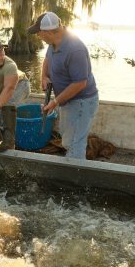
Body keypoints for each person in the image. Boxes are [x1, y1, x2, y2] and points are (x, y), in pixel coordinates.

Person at [28, 12, 99, 159]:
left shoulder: (75, 49)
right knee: (67, 141)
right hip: (66, 100)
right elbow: (48, 58)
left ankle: (76, 179)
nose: (38, 36)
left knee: (75, 145)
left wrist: (54, 102)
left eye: (39, 33)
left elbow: (80, 83)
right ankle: (72, 165)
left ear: (47, 32)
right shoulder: (53, 42)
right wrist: (44, 76)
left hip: (81, 102)